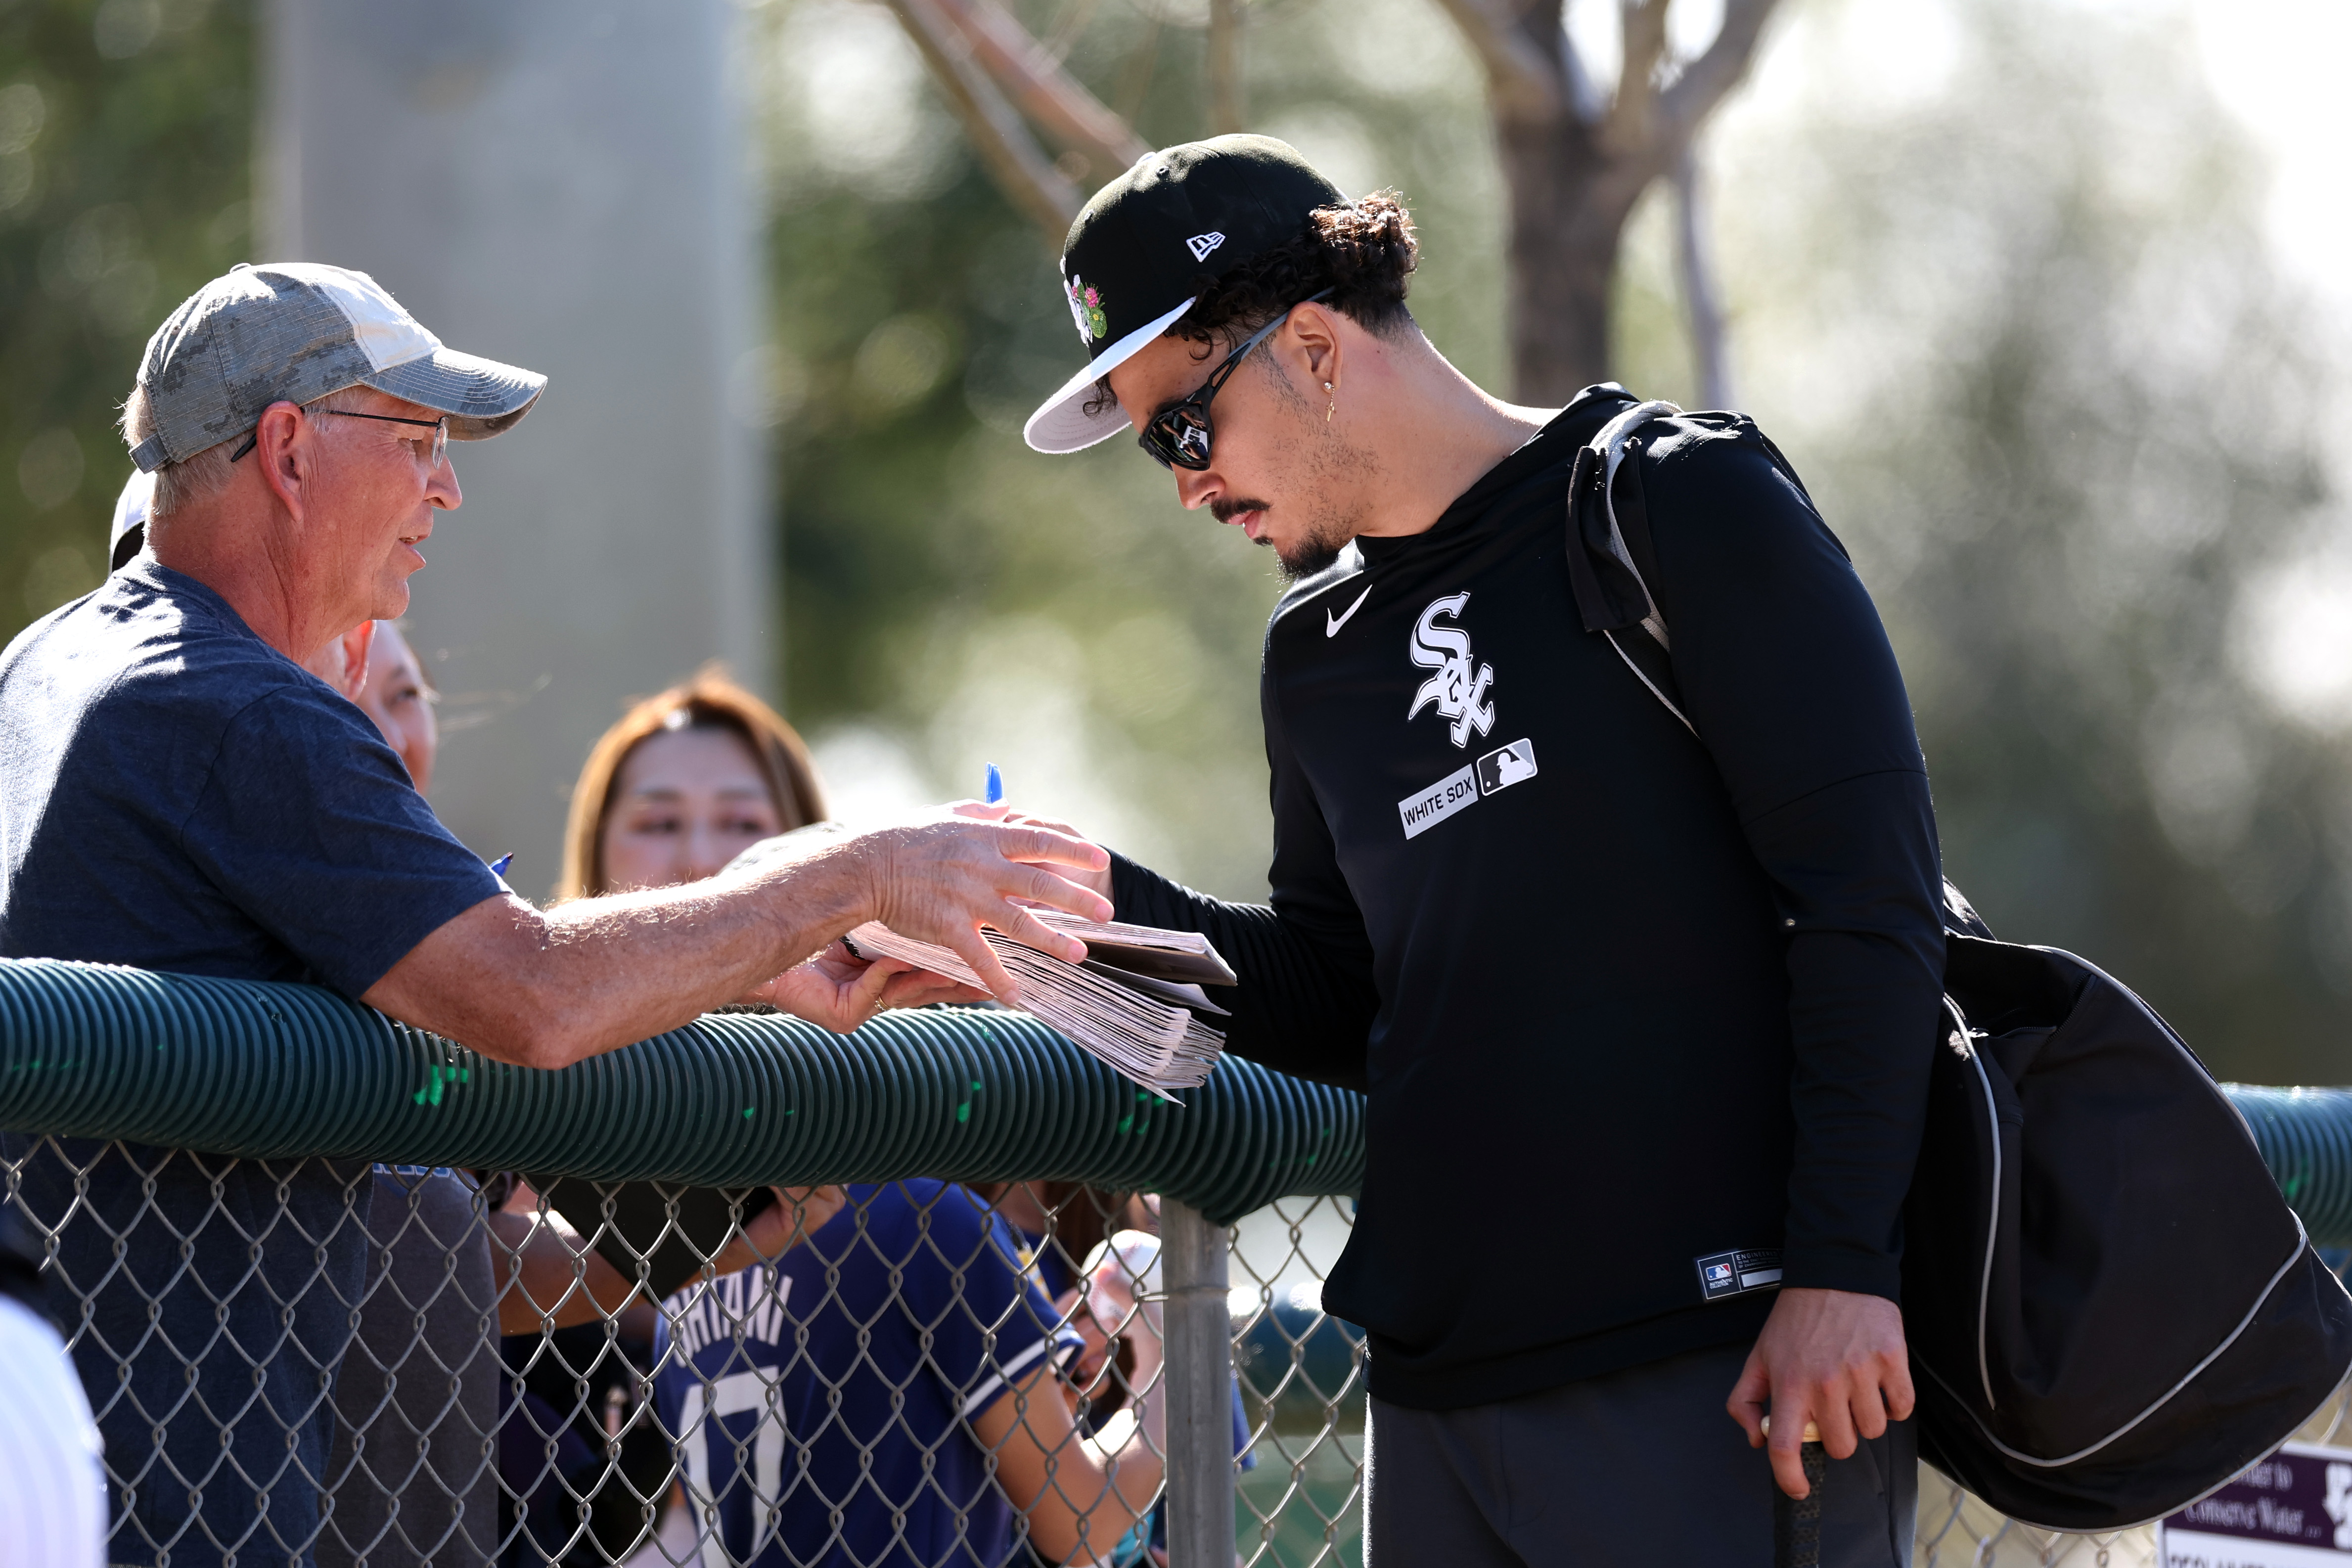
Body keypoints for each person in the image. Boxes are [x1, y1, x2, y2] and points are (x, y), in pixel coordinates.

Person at [0, 261, 1112, 1568]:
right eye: (414, 439)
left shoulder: (50, 661)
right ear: (289, 451)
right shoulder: (235, 705)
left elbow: (459, 1196)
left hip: (92, 1404)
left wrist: (754, 1000)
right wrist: (856, 873)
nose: (445, 486)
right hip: (141, 1461)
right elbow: (531, 994)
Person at [1013, 137, 1945, 1564]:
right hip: (1439, 1400)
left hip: (1720, 1361)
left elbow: (1868, 902)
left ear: (1313, 348)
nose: (1183, 488)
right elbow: (1336, 995)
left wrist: (1842, 1270)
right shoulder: (1310, 662)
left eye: (1179, 429)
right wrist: (1044, 906)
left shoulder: (1672, 502)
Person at [651, 1179, 1168, 1568]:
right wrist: (1164, 1355)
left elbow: (683, 1531)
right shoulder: (930, 1216)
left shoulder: (686, 1267)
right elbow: (1080, 1520)